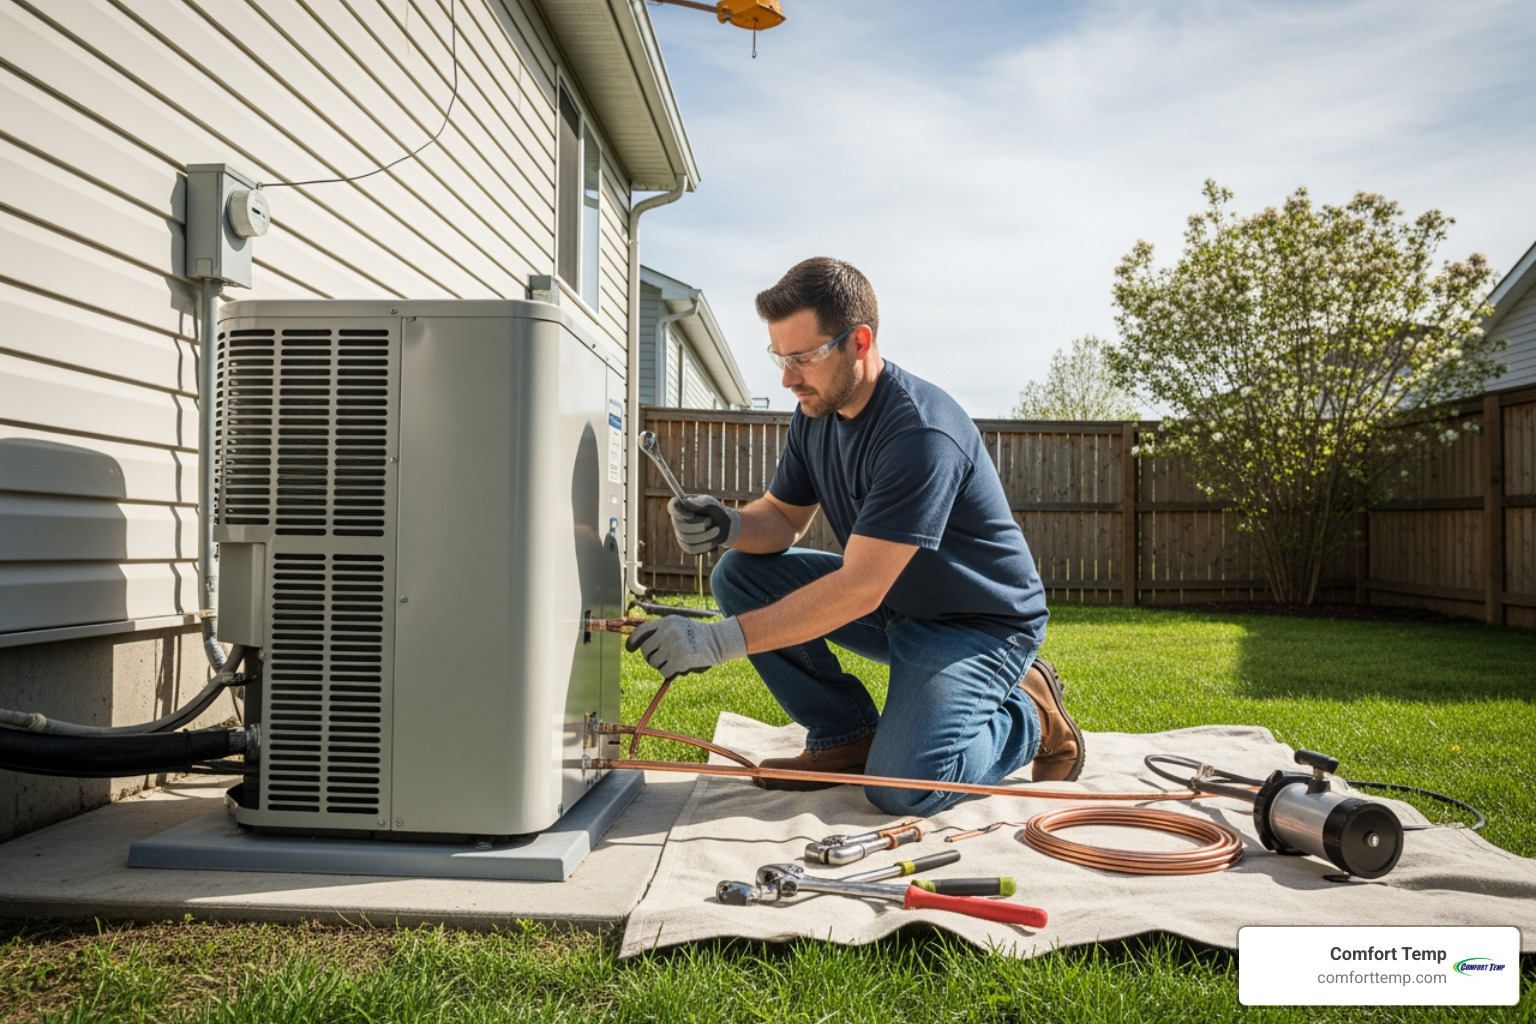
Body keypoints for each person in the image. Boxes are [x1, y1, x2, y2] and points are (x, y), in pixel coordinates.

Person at [626, 257, 1082, 815]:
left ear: (858, 342)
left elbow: (858, 589)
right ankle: (844, 737)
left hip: (977, 625)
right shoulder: (816, 413)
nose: (788, 378)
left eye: (803, 358)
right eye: (780, 357)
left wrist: (714, 641)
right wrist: (731, 525)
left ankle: (1031, 715)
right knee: (741, 572)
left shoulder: (919, 433)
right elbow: (783, 519)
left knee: (904, 787)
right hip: (896, 605)